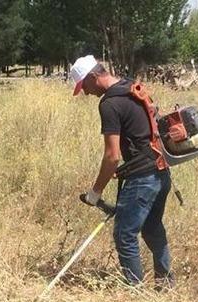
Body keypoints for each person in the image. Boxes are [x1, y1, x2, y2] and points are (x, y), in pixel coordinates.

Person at [71, 55, 174, 288]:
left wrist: (96, 192)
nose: (86, 93)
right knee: (152, 228)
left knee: (124, 235)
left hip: (143, 179)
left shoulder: (109, 103)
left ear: (93, 76)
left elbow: (112, 155)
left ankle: (137, 293)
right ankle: (166, 285)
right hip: (161, 171)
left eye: (84, 86)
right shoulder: (131, 87)